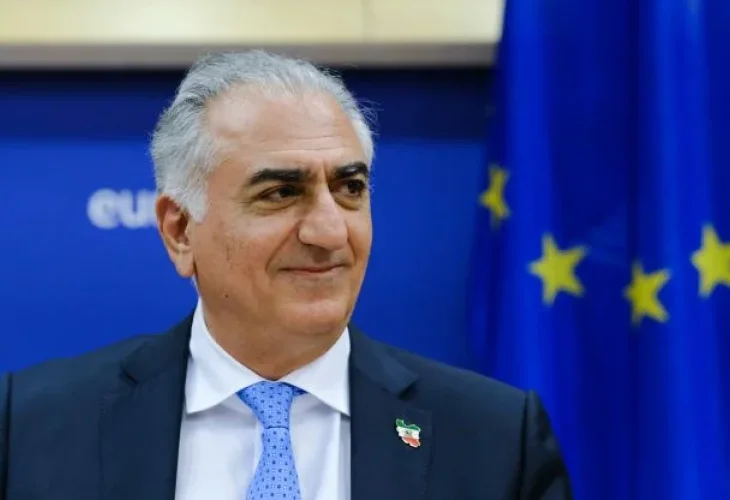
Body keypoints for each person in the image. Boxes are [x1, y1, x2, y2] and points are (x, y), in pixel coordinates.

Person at [0, 50, 572, 499]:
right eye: (280, 193)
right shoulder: (33, 427)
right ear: (180, 230)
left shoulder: (496, 439)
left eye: (350, 188)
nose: (329, 231)